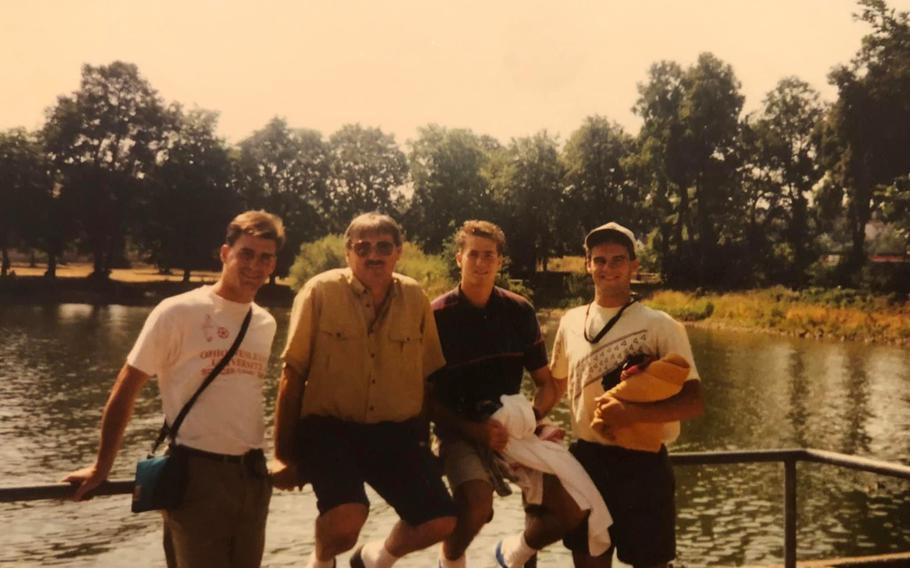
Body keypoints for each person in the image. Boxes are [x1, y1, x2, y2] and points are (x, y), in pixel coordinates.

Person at [65, 210, 286, 568]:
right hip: (197, 475)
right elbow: (126, 389)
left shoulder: (265, 322)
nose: (255, 265)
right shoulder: (178, 311)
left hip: (253, 476)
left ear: (274, 263)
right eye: (246, 253)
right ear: (225, 253)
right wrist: (101, 467)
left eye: (265, 257)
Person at [272, 212, 456, 568]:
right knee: (346, 521)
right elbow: (291, 375)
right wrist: (283, 455)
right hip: (330, 430)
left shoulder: (415, 297)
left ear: (398, 252)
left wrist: (424, 444)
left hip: (395, 435)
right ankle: (322, 560)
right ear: (348, 254)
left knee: (441, 521)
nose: (374, 255)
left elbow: (425, 381)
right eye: (363, 248)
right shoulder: (320, 292)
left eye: (383, 247)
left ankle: (375, 558)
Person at [430, 220, 587, 568]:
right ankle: (451, 561)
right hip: (459, 429)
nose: (481, 263)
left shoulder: (519, 311)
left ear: (500, 261)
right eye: (473, 255)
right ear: (459, 258)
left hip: (513, 428)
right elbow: (425, 398)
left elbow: (548, 383)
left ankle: (513, 552)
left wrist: (530, 416)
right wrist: (475, 430)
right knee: (477, 506)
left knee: (572, 509)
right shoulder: (435, 315)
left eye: (489, 255)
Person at [550, 222, 704, 568]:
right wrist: (527, 427)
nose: (608, 269)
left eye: (618, 260)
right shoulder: (570, 322)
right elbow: (557, 384)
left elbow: (693, 401)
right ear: (587, 264)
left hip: (643, 465)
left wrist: (633, 415)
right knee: (589, 561)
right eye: (599, 260)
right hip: (586, 461)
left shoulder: (660, 325)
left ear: (634, 266)